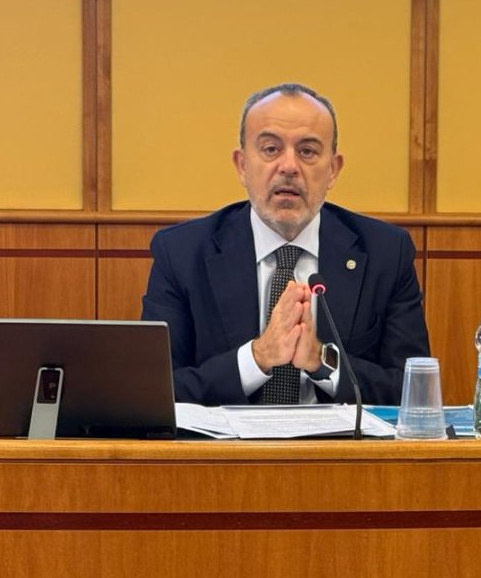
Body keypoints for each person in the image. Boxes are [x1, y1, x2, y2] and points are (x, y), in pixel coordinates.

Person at [141, 82, 430, 406]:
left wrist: (322, 360)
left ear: (333, 170)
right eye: (270, 149)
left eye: (307, 151)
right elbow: (156, 389)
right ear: (242, 165)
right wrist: (257, 357)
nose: (289, 167)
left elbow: (412, 390)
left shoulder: (385, 253)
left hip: (339, 441)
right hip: (226, 441)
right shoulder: (181, 253)